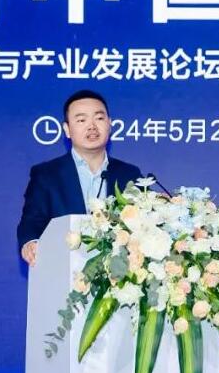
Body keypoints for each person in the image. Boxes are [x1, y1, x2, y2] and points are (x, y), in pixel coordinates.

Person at [17, 89, 142, 266]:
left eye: (99, 118)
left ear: (109, 124)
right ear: (67, 129)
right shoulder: (46, 175)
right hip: (62, 268)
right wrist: (31, 242)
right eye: (82, 120)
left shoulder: (130, 174)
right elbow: (32, 221)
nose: (92, 126)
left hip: (117, 273)